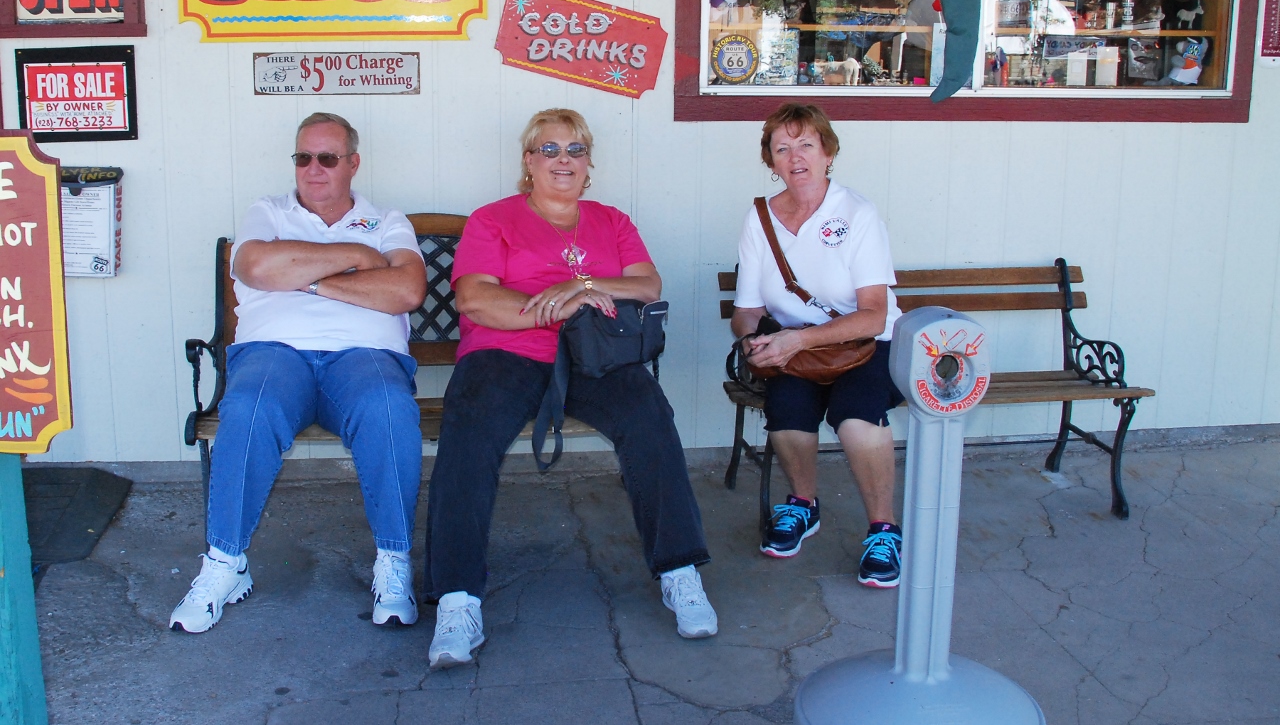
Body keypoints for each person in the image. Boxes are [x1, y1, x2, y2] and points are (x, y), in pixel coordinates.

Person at [423, 108, 717, 668]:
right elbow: (476, 299)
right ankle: (457, 599)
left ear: (589, 164)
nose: (563, 160)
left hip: (594, 357)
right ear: (528, 161)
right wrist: (557, 310)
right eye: (549, 149)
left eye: (575, 150)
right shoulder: (494, 220)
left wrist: (578, 286)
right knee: (468, 435)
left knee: (649, 417)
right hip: (505, 354)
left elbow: (646, 282)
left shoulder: (610, 220)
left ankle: (679, 572)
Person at [170, 112, 428, 633]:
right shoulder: (268, 211)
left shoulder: (388, 221)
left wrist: (308, 280)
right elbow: (256, 268)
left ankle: (394, 562)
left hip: (363, 357)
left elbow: (405, 291)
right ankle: (225, 563)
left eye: (327, 158)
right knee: (246, 408)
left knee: (389, 407)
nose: (313, 169)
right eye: (303, 158)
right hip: (275, 353)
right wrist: (354, 258)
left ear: (352, 164)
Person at [730, 103, 905, 588]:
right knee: (786, 411)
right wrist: (752, 342)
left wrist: (796, 339)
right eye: (782, 148)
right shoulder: (760, 217)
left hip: (866, 342)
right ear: (770, 161)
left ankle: (884, 529)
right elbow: (746, 309)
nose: (795, 157)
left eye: (806, 144)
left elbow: (873, 312)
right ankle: (803, 506)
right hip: (795, 350)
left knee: (855, 416)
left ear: (828, 152)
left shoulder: (857, 213)